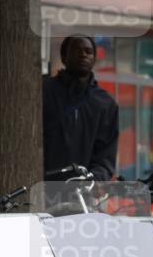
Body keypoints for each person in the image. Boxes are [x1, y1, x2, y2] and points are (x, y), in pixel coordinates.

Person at [43, 35, 119, 181]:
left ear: (94, 59)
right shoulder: (44, 91)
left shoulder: (106, 104)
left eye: (88, 51)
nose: (83, 54)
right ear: (64, 57)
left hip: (83, 195)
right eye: (77, 50)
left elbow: (105, 156)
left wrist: (94, 179)